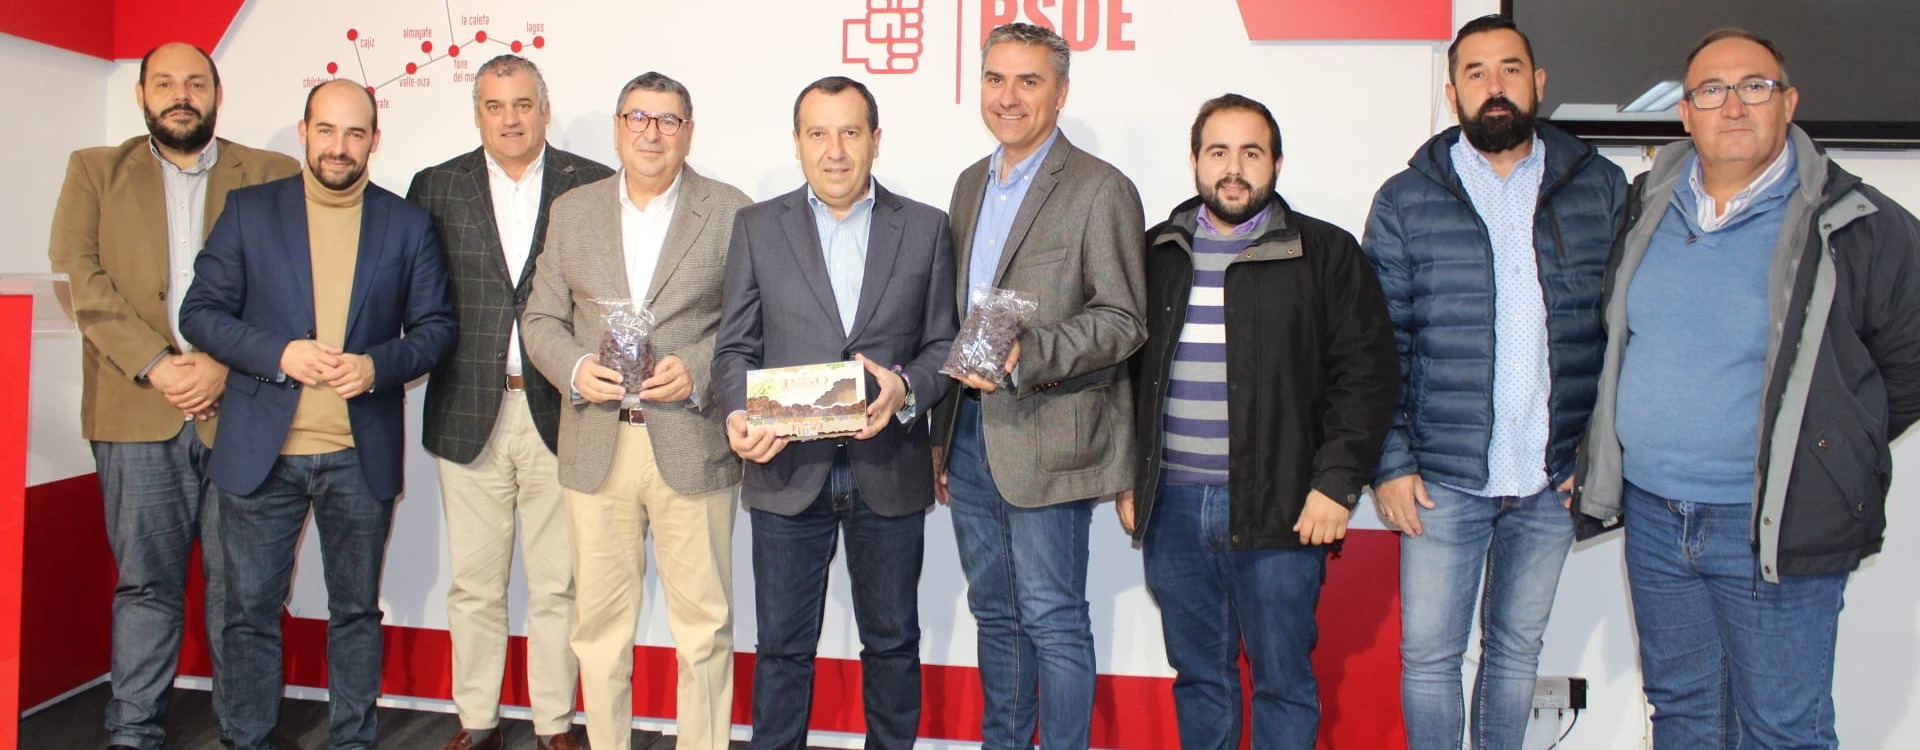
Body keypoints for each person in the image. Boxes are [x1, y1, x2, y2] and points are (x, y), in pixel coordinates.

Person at [1577, 28, 1920, 749]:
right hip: (1656, 517)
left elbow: (1909, 364)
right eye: (1712, 90)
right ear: (1685, 113)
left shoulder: (1858, 223)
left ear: (1788, 103)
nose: (1733, 105)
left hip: (1771, 522)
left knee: (1782, 730)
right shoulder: (1646, 206)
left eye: (1754, 86)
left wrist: (1829, 444)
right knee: (1683, 713)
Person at [1360, 14, 1625, 749]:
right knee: (1429, 658)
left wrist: (1598, 454)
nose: (1494, 85)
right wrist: (1391, 462)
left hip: (1551, 476)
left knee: (1515, 655)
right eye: (1475, 73)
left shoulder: (1600, 187)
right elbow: (1377, 344)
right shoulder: (1406, 199)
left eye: (1510, 69)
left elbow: (1623, 335)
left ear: (1538, 83)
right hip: (1441, 480)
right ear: (1453, 94)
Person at [178, 78, 457, 750]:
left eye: (354, 133)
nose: (339, 146)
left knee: (355, 612)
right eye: (326, 130)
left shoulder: (407, 223)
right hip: (261, 454)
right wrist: (279, 353)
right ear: (304, 133)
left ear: (374, 141)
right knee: (248, 614)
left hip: (359, 457)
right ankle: (247, 739)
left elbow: (436, 329)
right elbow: (200, 313)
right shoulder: (250, 211)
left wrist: (376, 367)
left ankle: (352, 739)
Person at [1118, 93, 1399, 749]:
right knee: (1200, 679)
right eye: (1218, 152)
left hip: (1284, 508)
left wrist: (1336, 484)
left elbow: (1367, 376)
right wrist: (1127, 477)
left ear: (1276, 163)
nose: (1234, 168)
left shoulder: (1324, 252)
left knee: (1282, 683)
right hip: (1173, 510)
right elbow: (1122, 376)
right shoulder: (1156, 253)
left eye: (1251, 153)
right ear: (1195, 161)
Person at [46, 41, 299, 750]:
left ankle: (247, 733)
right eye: (164, 83)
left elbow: (292, 285)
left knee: (244, 591)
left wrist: (221, 362)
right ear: (141, 95)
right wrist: (158, 364)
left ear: (217, 94)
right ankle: (133, 732)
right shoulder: (94, 170)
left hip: (242, 410)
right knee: (145, 586)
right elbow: (79, 280)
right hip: (134, 410)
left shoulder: (272, 174)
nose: (181, 95)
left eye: (195, 82)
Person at [712, 75, 957, 750]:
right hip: (786, 470)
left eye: (850, 132)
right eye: (818, 133)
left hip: (889, 467)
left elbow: (943, 346)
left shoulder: (927, 227)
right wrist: (737, 414)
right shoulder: (758, 227)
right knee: (782, 649)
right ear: (797, 143)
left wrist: (905, 388)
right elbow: (734, 348)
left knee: (893, 643)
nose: (835, 150)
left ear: (876, 140)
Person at [932, 21, 1147, 750]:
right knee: (995, 614)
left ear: (1061, 93)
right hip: (971, 434)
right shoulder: (969, 184)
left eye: (1029, 81)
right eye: (995, 79)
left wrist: (1031, 353)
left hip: (1053, 436)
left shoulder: (1100, 188)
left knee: (1053, 617)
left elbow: (1124, 319)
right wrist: (941, 434)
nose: (1009, 96)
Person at [520, 71, 750, 750]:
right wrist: (574, 368)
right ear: (619, 128)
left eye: (668, 120)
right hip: (596, 443)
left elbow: (750, 325)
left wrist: (698, 369)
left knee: (704, 630)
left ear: (688, 132)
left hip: (693, 443)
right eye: (638, 118)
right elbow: (539, 318)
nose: (652, 133)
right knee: (598, 630)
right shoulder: (573, 211)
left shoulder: (731, 211)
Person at [407, 54, 611, 750]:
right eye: (495, 106)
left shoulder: (591, 183)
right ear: (478, 115)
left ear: (545, 110)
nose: (510, 119)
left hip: (564, 411)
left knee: (558, 584)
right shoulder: (436, 186)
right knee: (474, 584)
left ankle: (555, 725)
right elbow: (416, 295)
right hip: (468, 411)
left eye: (523, 104)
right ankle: (477, 722)